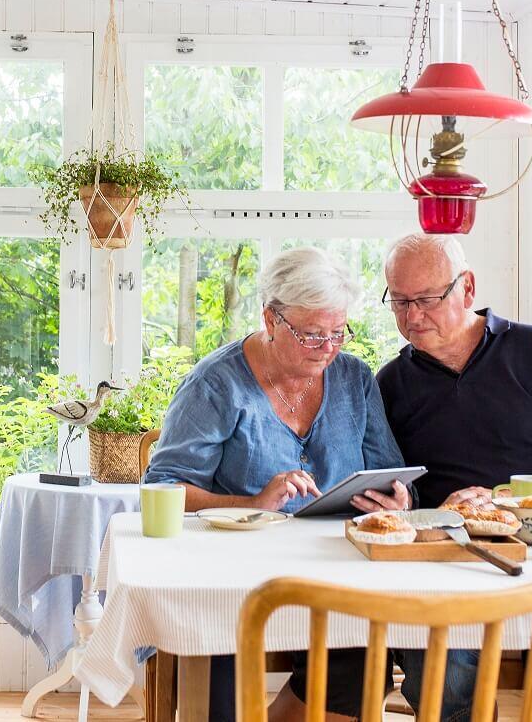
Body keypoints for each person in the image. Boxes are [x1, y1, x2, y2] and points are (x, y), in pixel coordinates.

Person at [144, 246, 410, 722]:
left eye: (337, 333)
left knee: (362, 661)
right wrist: (253, 503)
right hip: (232, 581)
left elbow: (388, 469)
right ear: (271, 319)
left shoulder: (353, 379)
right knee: (217, 674)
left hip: (332, 571)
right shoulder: (217, 384)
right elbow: (164, 485)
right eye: (311, 335)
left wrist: (396, 499)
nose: (328, 348)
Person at [376, 233, 532, 721]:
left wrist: (501, 499)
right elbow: (395, 486)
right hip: (444, 556)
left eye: (427, 300)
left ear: (467, 288)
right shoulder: (390, 383)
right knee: (444, 670)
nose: (413, 317)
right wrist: (402, 507)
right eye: (400, 302)